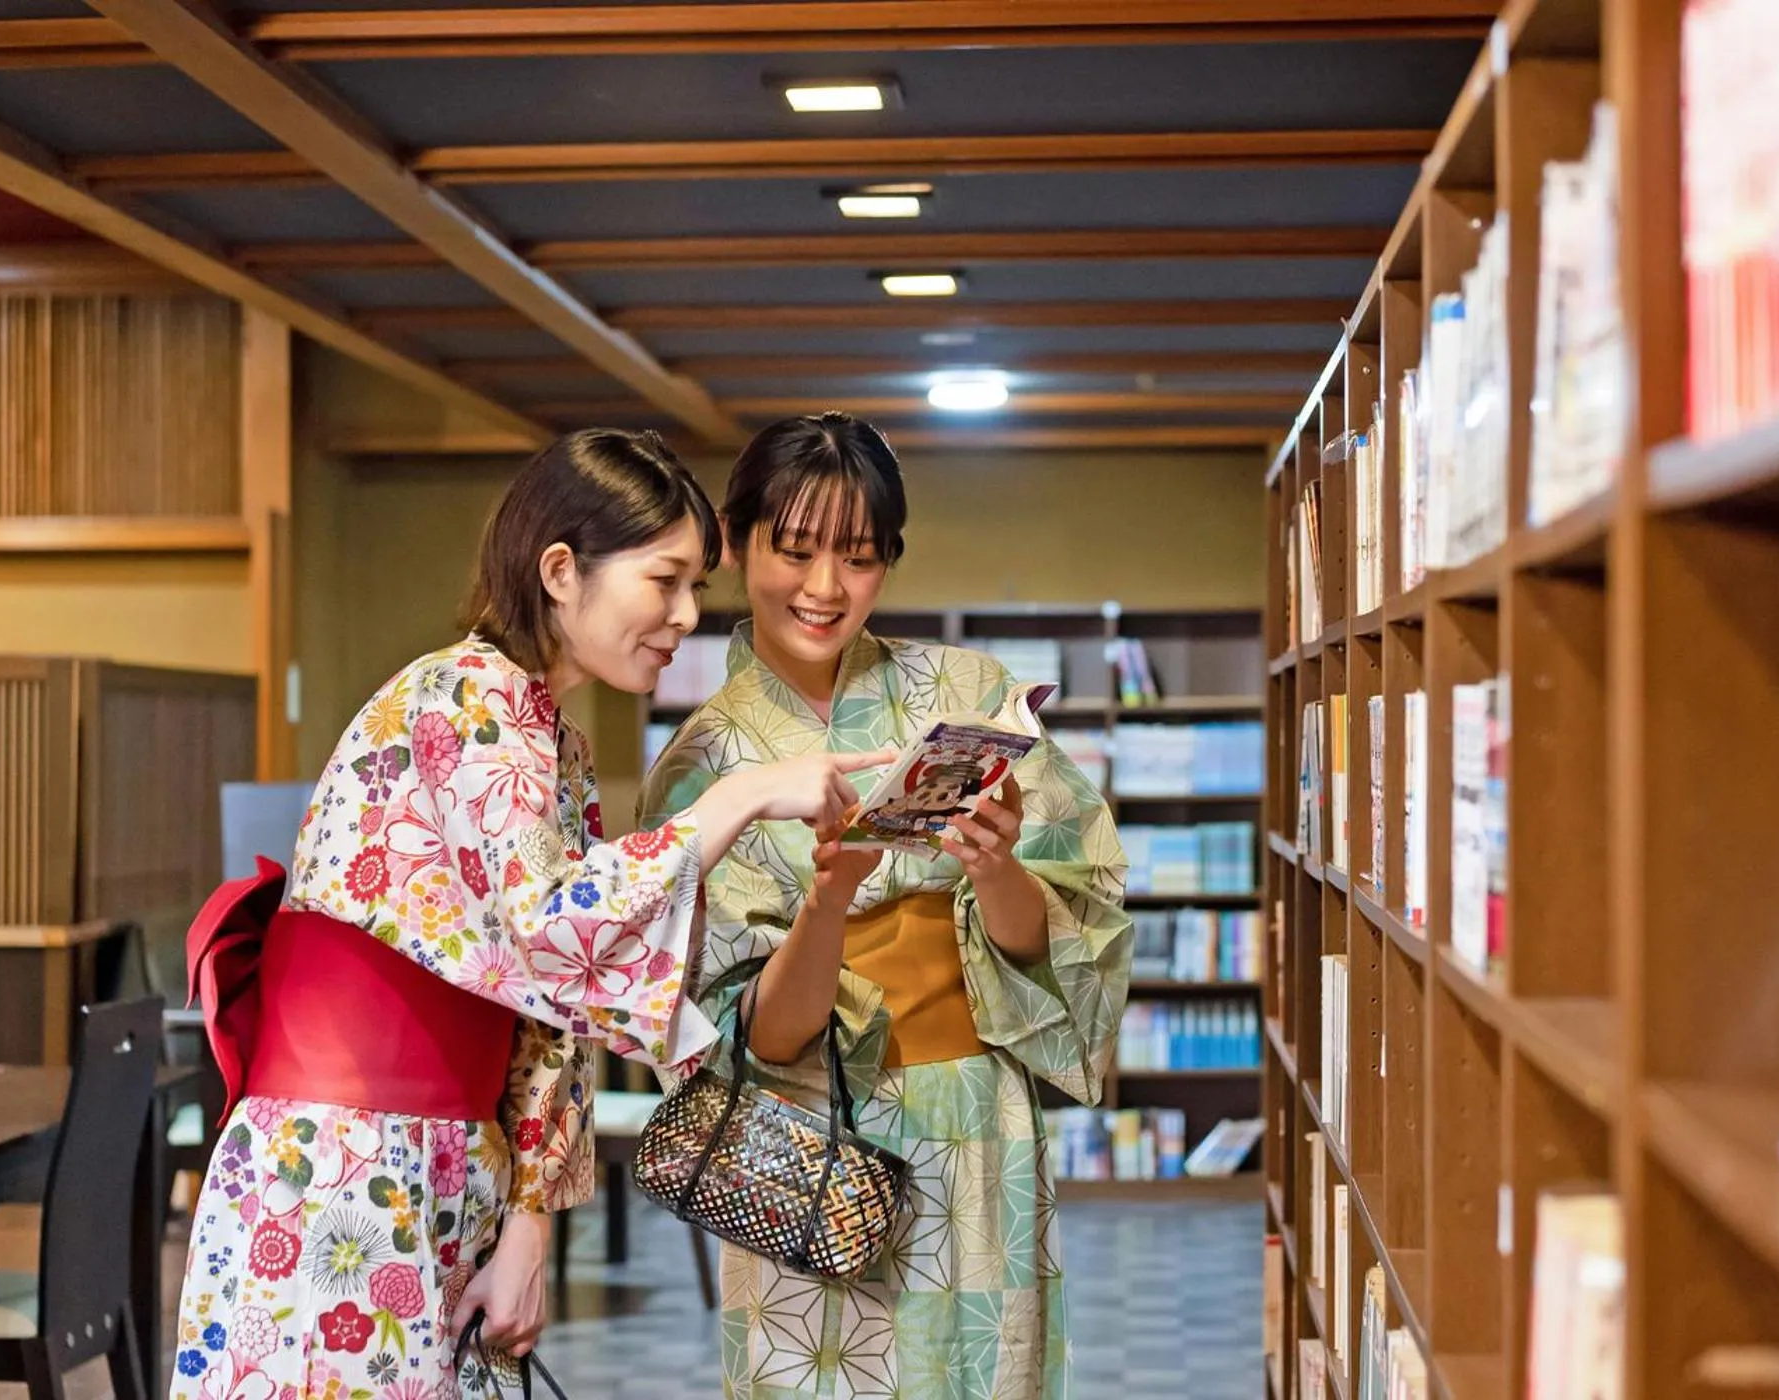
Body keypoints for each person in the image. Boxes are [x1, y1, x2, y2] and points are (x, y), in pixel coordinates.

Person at [170, 429, 889, 1400]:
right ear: (561, 569)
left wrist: (531, 1215)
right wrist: (742, 794)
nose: (683, 615)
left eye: (695, 590)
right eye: (665, 579)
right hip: (336, 1162)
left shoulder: (555, 739)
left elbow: (556, 1002)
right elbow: (555, 926)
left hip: (447, 1156)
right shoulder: (467, 696)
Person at [639, 413, 1133, 1400]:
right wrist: (830, 899)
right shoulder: (703, 762)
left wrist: (997, 869)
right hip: (804, 1145)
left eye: (859, 558)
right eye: (796, 550)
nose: (825, 587)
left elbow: (1076, 919)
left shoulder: (968, 689)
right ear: (735, 544)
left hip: (976, 1116)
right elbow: (751, 1033)